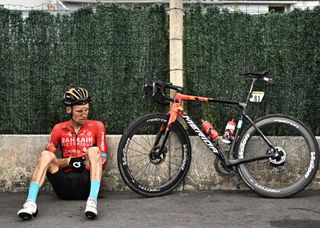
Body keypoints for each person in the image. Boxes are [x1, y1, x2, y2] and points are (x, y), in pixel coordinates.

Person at [17, 86, 108, 220]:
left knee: (94, 150)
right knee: (45, 155)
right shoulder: (59, 129)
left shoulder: (97, 126)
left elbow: (102, 161)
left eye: (86, 110)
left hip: (86, 183)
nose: (84, 114)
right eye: (79, 111)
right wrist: (69, 161)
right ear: (68, 110)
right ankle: (30, 203)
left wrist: (85, 159)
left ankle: (92, 202)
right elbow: (48, 163)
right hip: (64, 185)